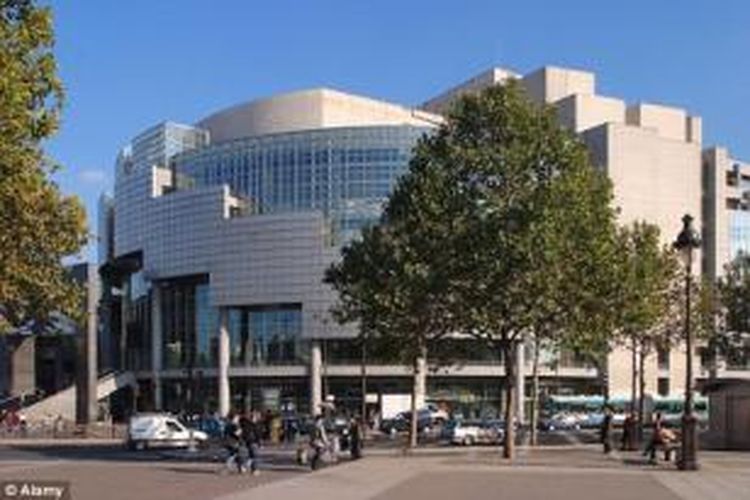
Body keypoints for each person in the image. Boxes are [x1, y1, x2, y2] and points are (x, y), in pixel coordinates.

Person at [239, 412, 262, 476]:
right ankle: (254, 469)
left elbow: (239, 432)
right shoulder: (254, 424)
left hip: (244, 441)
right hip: (252, 441)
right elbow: (257, 434)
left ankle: (243, 467)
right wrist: (259, 442)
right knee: (255, 456)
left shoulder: (242, 423)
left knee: (245, 455)